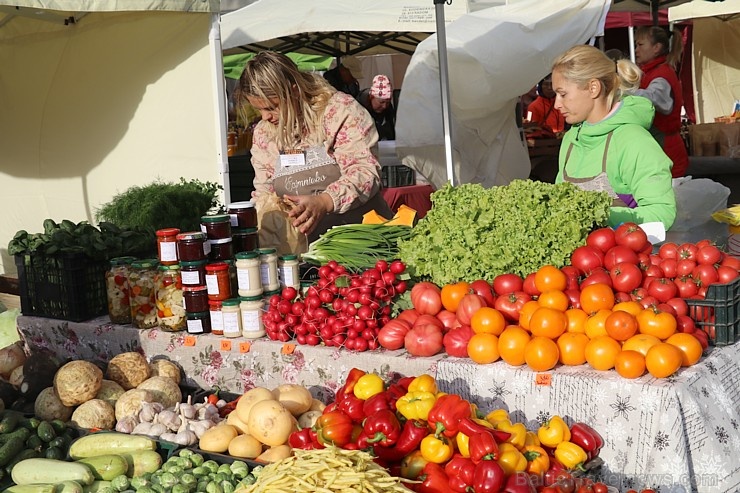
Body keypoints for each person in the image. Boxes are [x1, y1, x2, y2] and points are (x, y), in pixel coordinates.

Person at [239, 51, 392, 242]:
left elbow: (365, 171)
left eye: (271, 107)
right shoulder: (264, 133)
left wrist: (323, 201)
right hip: (306, 252)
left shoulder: (339, 111)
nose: (264, 117)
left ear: (294, 92)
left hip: (362, 241)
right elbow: (264, 191)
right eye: (259, 109)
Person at [551, 45, 676, 230]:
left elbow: (661, 214)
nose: (556, 104)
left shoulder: (634, 140)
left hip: (620, 255)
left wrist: (599, 215)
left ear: (593, 88)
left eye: (562, 94)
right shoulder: (570, 140)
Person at [634, 26, 688, 178]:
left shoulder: (661, 75)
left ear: (656, 47)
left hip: (667, 150)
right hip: (662, 147)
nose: (636, 49)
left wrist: (625, 93)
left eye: (640, 45)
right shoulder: (652, 72)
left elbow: (654, 98)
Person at [358, 75, 396, 141]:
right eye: (381, 102)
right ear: (371, 97)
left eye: (388, 102)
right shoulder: (358, 108)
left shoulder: (388, 108)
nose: (384, 106)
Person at [526, 74, 566, 138]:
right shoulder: (533, 107)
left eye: (552, 84)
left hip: (560, 141)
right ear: (540, 87)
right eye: (546, 84)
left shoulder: (561, 103)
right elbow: (529, 129)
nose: (549, 88)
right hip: (544, 143)